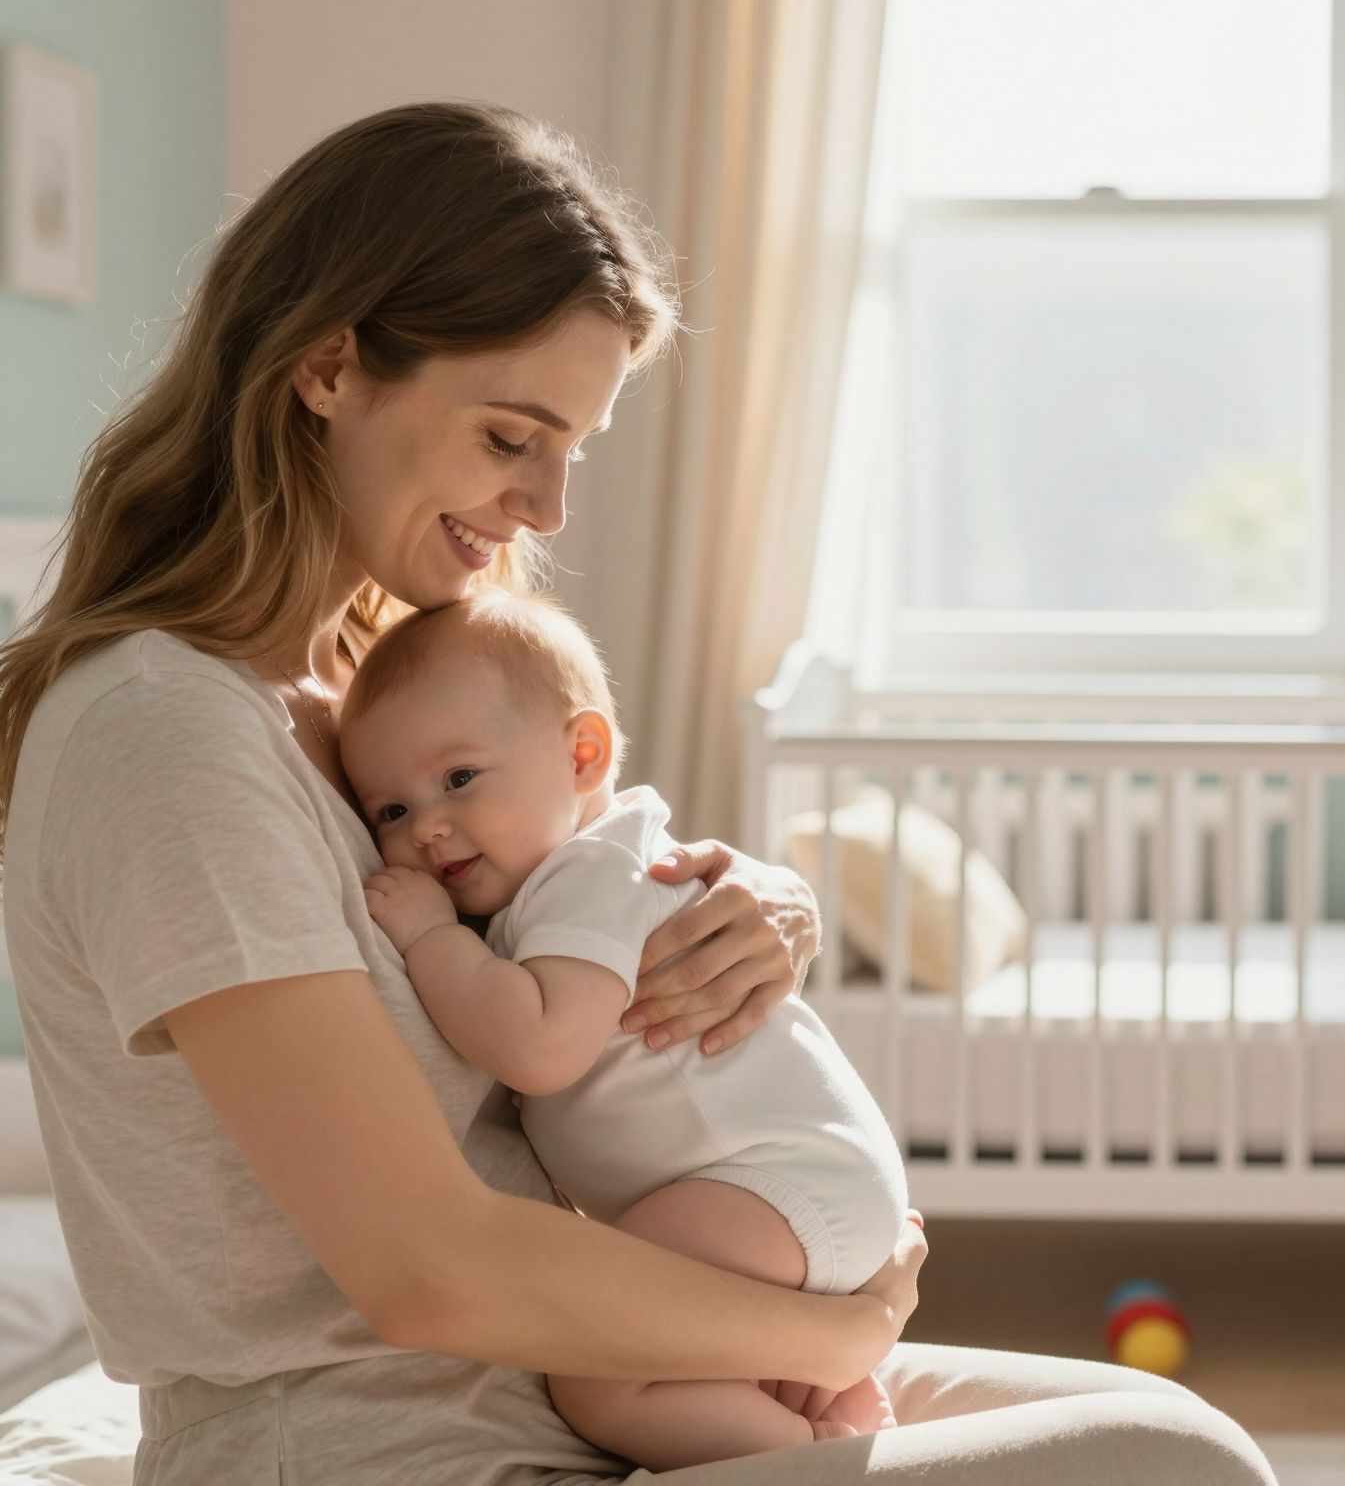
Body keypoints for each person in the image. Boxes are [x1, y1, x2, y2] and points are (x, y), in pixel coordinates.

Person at [0, 100, 1276, 1484]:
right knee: (1164, 1457)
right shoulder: (165, 733)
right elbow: (424, 1273)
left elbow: (572, 889)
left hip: (568, 1366)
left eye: (571, 452)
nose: (547, 508)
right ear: (327, 366)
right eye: (508, 438)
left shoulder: (363, 698)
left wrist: (756, 906)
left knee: (1179, 1438)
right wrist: (837, 1328)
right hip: (400, 1438)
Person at [339, 589, 909, 1466]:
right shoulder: (561, 880)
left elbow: (540, 1048)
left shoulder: (588, 875)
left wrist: (426, 938)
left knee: (601, 1377)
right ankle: (809, 1386)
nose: (428, 827)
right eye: (391, 811)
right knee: (660, 1338)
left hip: (773, 1183)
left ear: (583, 754)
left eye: (458, 779)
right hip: (790, 1187)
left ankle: (809, 1451)